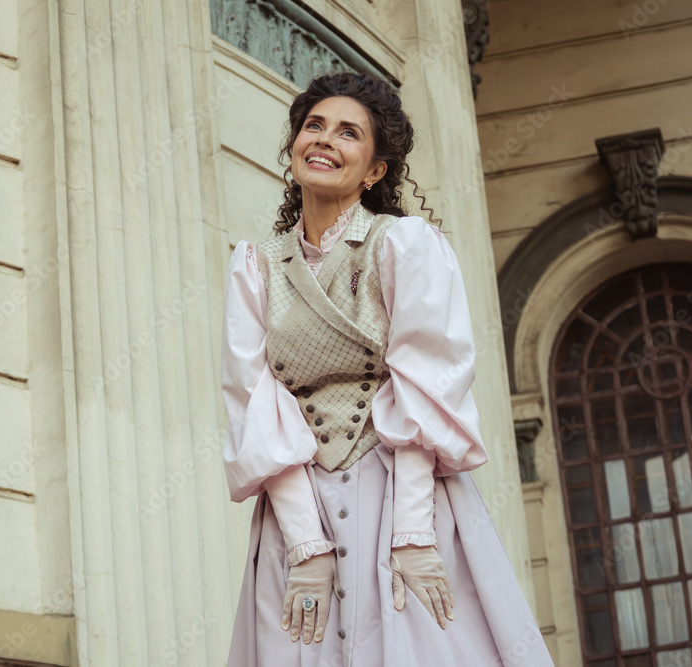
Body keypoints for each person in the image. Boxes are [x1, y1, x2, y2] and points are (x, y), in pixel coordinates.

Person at [219, 72, 555, 666]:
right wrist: (307, 546)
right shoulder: (255, 267)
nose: (325, 140)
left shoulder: (404, 244)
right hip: (298, 505)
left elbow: (427, 385)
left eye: (348, 132)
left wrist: (414, 534)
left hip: (402, 491)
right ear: (294, 146)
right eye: (314, 126)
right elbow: (253, 400)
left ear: (374, 170)